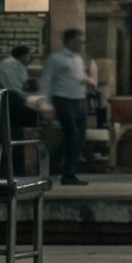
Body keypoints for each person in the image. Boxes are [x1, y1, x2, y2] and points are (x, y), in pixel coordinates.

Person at [44, 27, 91, 187]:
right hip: (63, 100)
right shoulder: (56, 58)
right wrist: (46, 105)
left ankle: (57, 167)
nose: (81, 44)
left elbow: (77, 76)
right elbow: (47, 81)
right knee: (72, 135)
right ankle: (67, 174)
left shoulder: (78, 58)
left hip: (78, 101)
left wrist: (86, 80)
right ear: (69, 41)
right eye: (78, 41)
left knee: (78, 138)